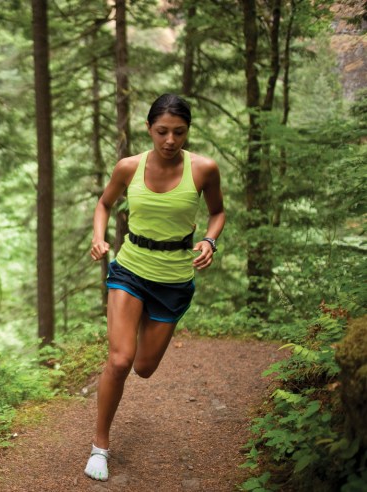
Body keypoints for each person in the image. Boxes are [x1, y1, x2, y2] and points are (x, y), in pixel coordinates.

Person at [84, 94, 225, 481]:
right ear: (149, 129)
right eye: (162, 131)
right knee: (119, 360)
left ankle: (139, 318)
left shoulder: (204, 169)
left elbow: (217, 212)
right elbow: (104, 204)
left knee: (144, 368)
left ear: (187, 132)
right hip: (130, 268)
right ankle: (100, 448)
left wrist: (210, 240)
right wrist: (98, 238)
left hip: (174, 279)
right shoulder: (129, 167)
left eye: (178, 132)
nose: (169, 140)